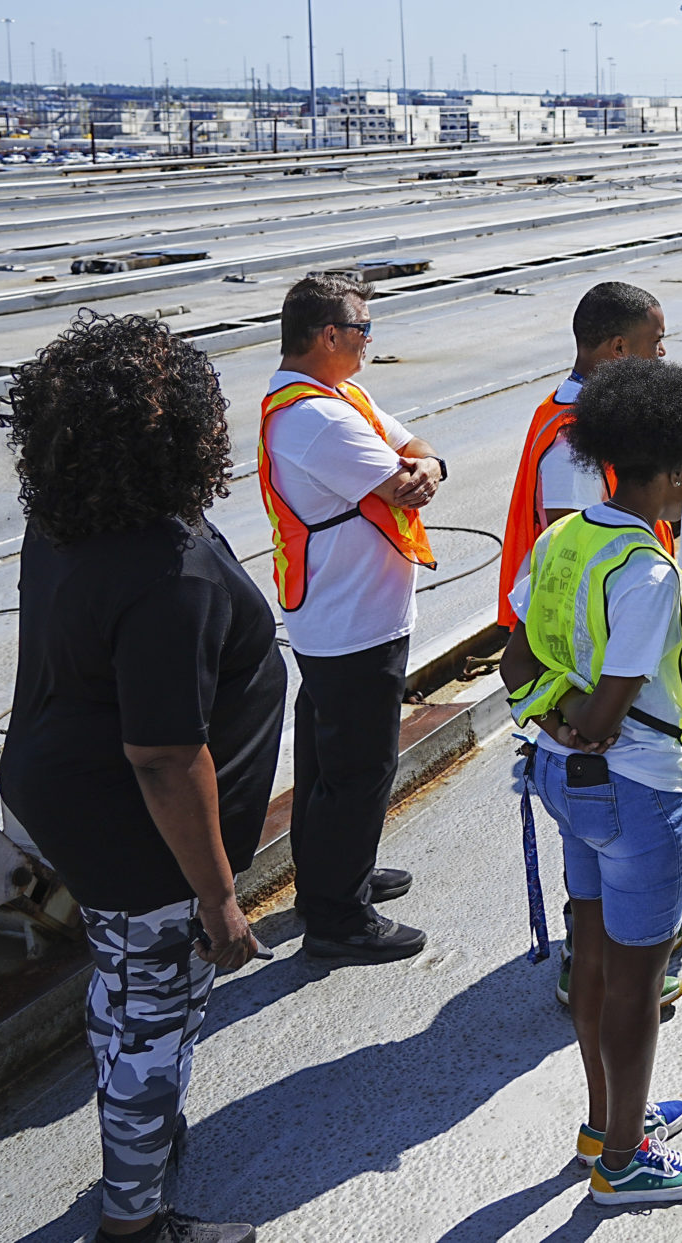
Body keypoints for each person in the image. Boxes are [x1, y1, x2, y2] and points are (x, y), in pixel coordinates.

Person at [0, 313, 286, 1243]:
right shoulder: (171, 571)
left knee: (125, 987)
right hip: (141, 837)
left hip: (65, 790)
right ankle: (134, 1221)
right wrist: (217, 899)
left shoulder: (66, 516)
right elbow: (164, 757)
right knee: (154, 1021)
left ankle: (141, 1139)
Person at [500, 357, 682, 1206]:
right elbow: (608, 714)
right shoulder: (650, 574)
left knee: (589, 954)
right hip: (639, 792)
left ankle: (604, 1120)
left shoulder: (565, 538)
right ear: (670, 469)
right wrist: (579, 721)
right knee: (639, 978)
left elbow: (516, 655)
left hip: (564, 784)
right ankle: (623, 1161)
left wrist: (551, 720)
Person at [257, 273, 438, 964]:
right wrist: (416, 472)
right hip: (349, 620)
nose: (370, 342)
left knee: (332, 762)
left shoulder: (341, 396)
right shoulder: (315, 418)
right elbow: (401, 479)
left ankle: (334, 880)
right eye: (364, 329)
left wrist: (432, 465)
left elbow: (417, 449)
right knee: (358, 769)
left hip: (357, 613)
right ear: (329, 334)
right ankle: (338, 917)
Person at [494, 282, 667, 630]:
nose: (662, 353)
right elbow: (575, 557)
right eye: (655, 341)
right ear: (619, 347)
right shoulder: (575, 439)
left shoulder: (586, 413)